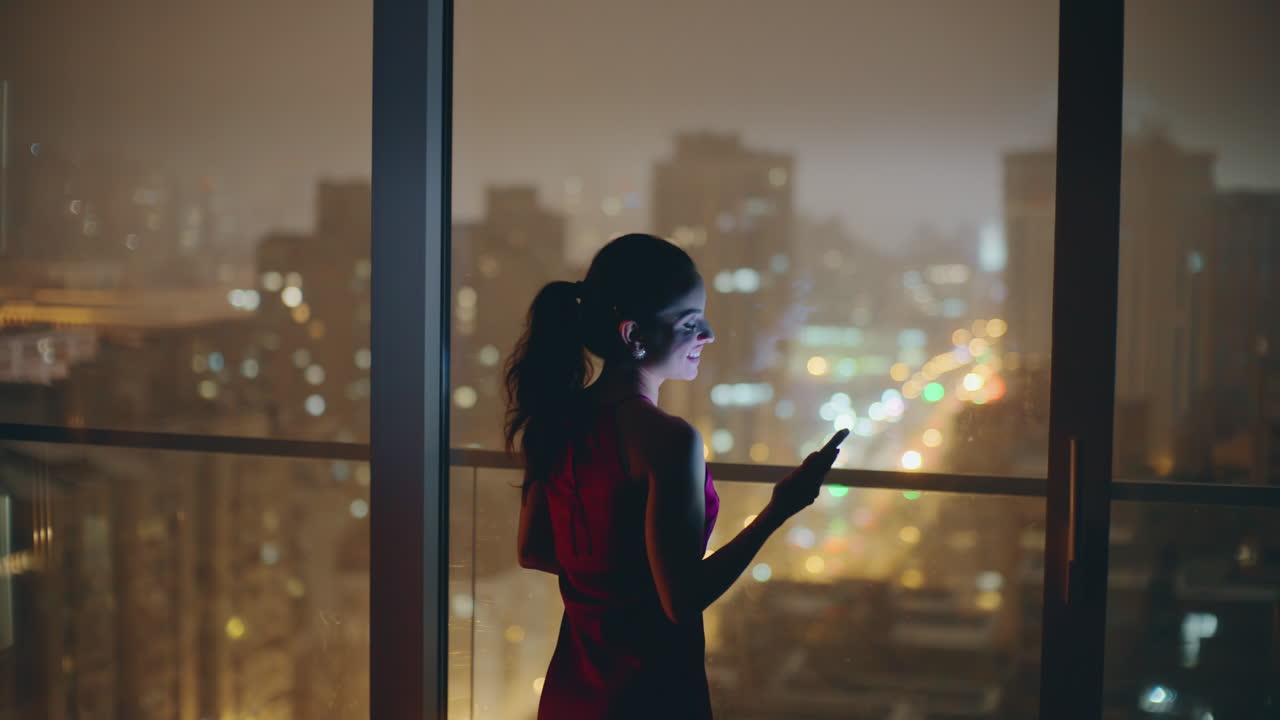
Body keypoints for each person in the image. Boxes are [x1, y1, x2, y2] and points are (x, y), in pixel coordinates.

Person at [505, 233, 846, 719]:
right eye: (691, 323)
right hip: (649, 692)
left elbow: (533, 551)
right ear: (633, 335)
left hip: (574, 688)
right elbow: (681, 600)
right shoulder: (669, 440)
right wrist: (779, 510)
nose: (708, 334)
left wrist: (610, 578)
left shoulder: (555, 420)